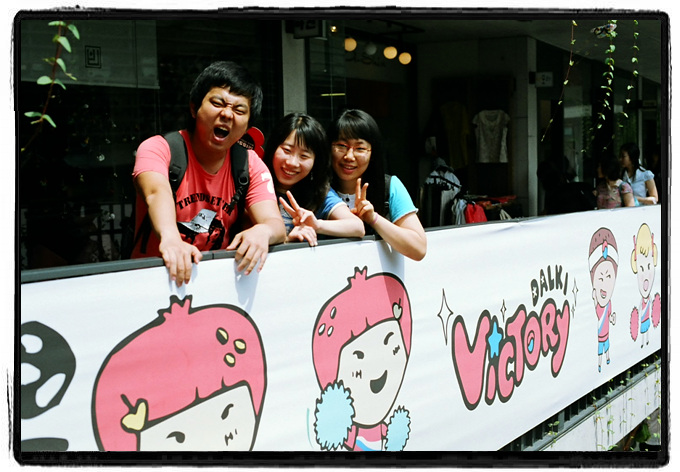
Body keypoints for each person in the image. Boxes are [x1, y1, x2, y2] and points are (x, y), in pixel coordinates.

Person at [130, 61, 285, 285]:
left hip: (215, 284)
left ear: (247, 125)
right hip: (154, 282)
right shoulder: (158, 149)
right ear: (194, 108)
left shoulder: (250, 164)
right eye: (217, 103)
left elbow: (275, 224)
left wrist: (263, 231)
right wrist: (171, 238)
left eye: (239, 110)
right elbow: (156, 193)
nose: (227, 114)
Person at [327, 109, 427, 261]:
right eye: (341, 145)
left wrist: (373, 219)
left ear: (373, 153)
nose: (349, 156)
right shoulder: (318, 189)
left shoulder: (390, 186)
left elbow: (418, 249)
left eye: (360, 148)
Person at [263, 113, 364, 246]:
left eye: (304, 156)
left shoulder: (318, 192)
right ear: (273, 148)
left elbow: (357, 227)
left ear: (315, 162)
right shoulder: (256, 184)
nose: (292, 163)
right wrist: (287, 240)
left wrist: (317, 225)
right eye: (287, 150)